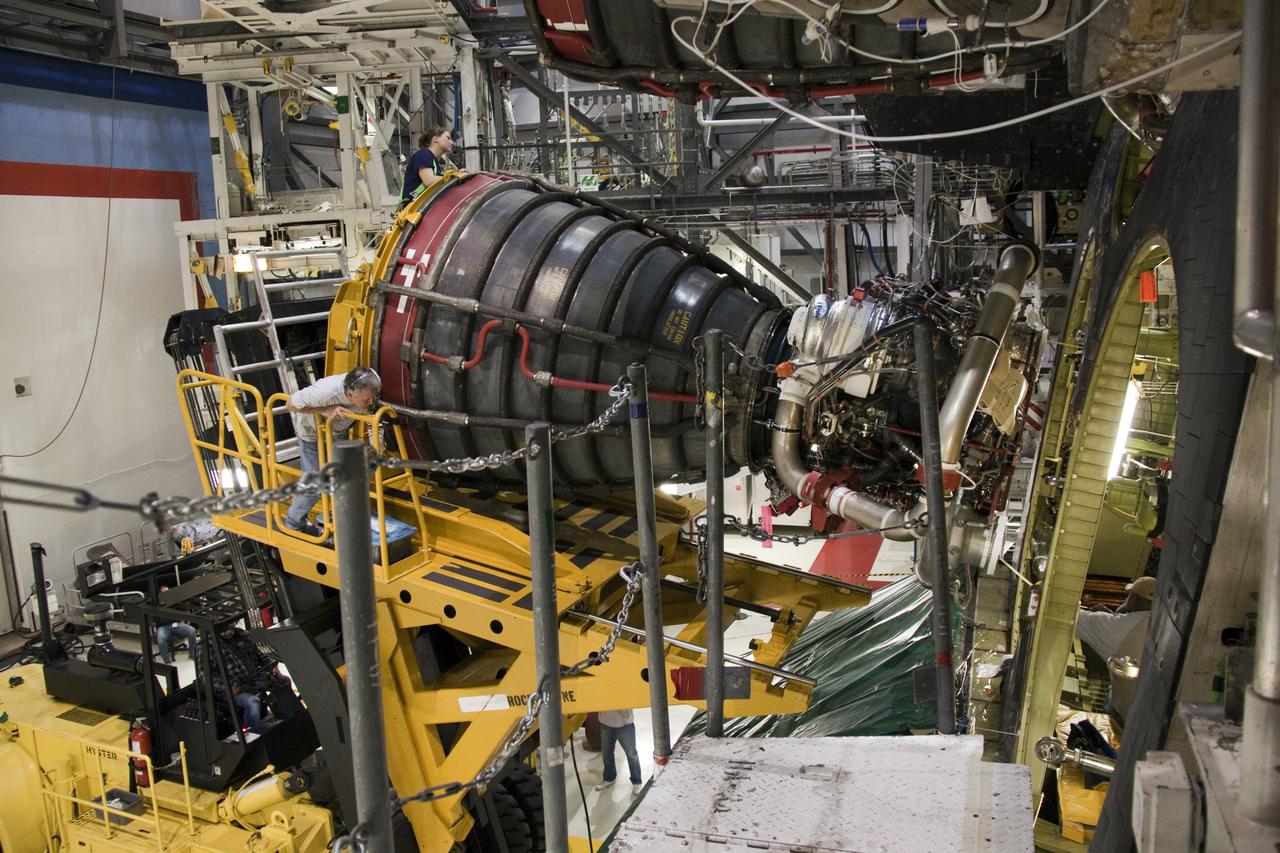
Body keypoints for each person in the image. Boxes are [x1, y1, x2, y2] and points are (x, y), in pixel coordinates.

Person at [283, 366, 381, 535]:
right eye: (366, 401)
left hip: (336, 432)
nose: (370, 403)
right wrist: (326, 410)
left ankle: (341, 520)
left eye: (373, 398)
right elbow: (290, 404)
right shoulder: (325, 392)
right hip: (313, 434)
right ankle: (293, 524)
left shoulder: (369, 381)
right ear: (349, 395)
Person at [212, 619, 290, 729]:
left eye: (231, 628)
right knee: (252, 701)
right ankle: (254, 732)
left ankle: (289, 718)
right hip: (233, 689)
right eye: (224, 631)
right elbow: (206, 676)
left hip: (255, 679)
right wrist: (228, 686)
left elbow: (260, 653)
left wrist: (272, 667)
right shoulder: (209, 646)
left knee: (284, 681)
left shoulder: (244, 635)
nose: (228, 632)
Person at [594, 708, 643, 794]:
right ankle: (609, 777)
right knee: (606, 752)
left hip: (624, 723)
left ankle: (637, 781)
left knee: (631, 754)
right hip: (606, 722)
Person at [401, 127, 455, 204]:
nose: (452, 142)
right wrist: (453, 177)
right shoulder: (424, 155)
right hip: (414, 209)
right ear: (436, 139)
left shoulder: (433, 161)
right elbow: (429, 180)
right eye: (448, 138)